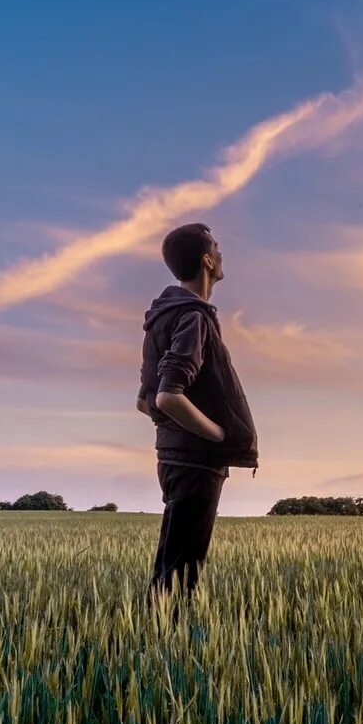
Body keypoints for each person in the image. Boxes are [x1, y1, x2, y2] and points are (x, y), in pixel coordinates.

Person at [137, 223, 259, 596]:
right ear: (207, 260)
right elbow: (166, 397)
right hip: (195, 461)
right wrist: (219, 435)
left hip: (173, 457)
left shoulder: (162, 316)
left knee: (172, 566)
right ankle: (162, 648)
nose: (222, 255)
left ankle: (154, 641)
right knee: (181, 576)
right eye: (217, 248)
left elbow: (144, 400)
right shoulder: (193, 316)